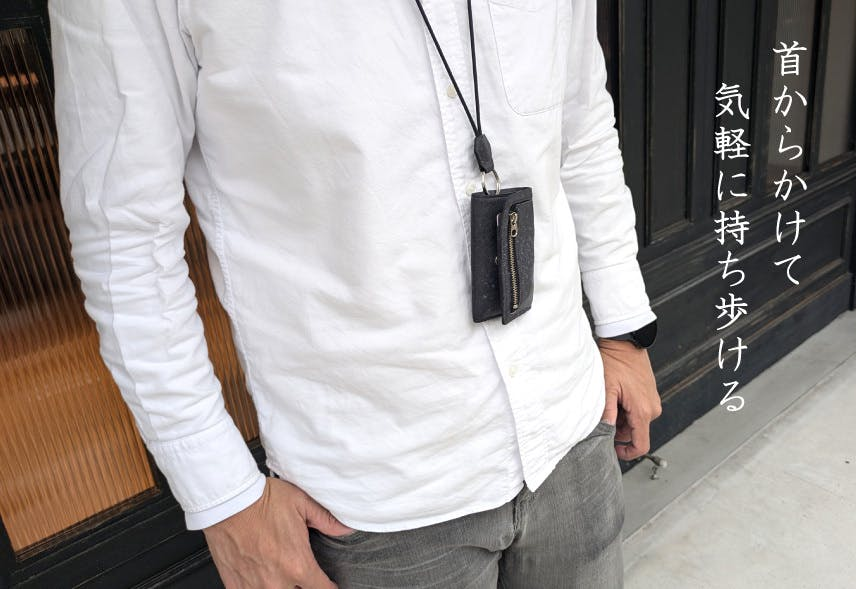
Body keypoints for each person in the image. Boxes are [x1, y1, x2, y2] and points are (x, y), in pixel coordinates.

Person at [49, 0, 661, 587]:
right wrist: (223, 497)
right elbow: (123, 235)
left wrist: (624, 331)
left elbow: (581, 121)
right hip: (372, 502)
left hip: (570, 422)